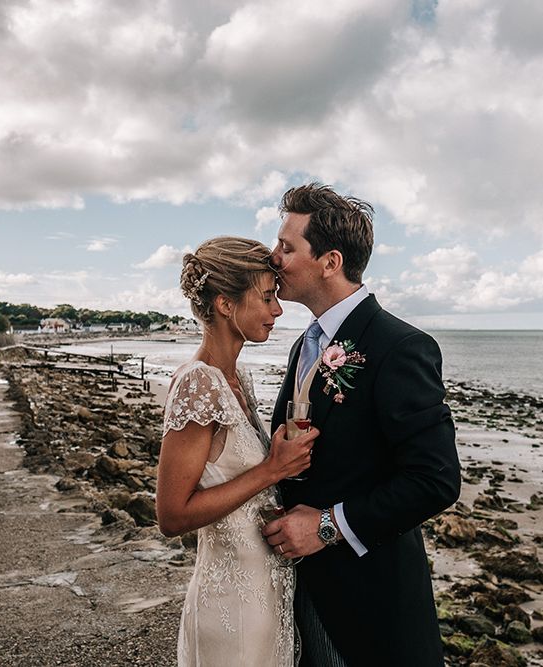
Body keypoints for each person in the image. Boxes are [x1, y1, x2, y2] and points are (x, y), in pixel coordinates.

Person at [262, 183, 461, 666]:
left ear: (330, 262)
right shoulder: (304, 343)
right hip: (299, 586)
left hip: (369, 600)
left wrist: (328, 526)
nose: (273, 258)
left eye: (287, 247)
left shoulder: (400, 346)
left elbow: (435, 480)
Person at [157, 236, 319, 667]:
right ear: (226, 305)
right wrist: (270, 470)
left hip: (267, 596)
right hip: (231, 608)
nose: (278, 310)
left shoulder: (237, 378)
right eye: (267, 298)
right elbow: (172, 515)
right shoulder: (198, 384)